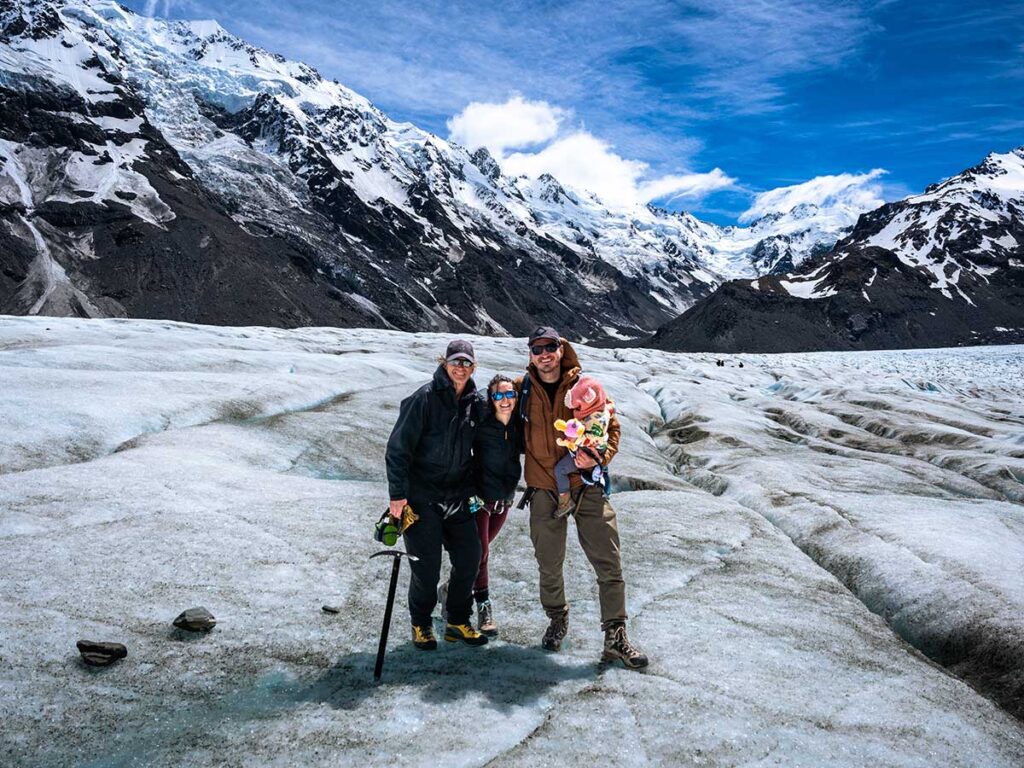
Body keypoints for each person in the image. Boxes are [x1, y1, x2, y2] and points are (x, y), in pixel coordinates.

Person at [518, 326, 648, 669]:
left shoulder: (583, 387)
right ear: (530, 354)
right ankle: (557, 618)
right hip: (544, 488)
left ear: (562, 350)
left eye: (550, 347)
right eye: (537, 348)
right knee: (548, 563)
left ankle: (616, 636)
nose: (544, 354)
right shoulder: (522, 391)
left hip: (587, 487)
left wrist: (599, 456)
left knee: (609, 560)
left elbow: (611, 427)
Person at [385, 339, 488, 650]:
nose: (460, 367)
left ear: (473, 367)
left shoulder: (476, 403)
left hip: (458, 496)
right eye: (455, 361)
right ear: (445, 363)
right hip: (421, 498)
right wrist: (397, 496)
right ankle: (421, 622)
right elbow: (398, 449)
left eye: (466, 363)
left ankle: (457, 620)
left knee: (470, 559)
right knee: (426, 569)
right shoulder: (424, 399)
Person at [471, 374, 523, 636]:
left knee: (479, 553)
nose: (505, 400)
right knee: (481, 554)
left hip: (504, 501)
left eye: (509, 394)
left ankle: (449, 589)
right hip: (479, 500)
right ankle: (484, 607)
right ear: (490, 399)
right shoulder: (481, 424)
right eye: (498, 395)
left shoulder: (519, 427)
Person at [553, 376, 614, 516]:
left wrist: (598, 459)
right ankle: (605, 487)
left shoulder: (594, 419)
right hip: (542, 482)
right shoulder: (599, 408)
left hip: (585, 455)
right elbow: (610, 410)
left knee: (560, 470)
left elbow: (601, 436)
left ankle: (565, 500)